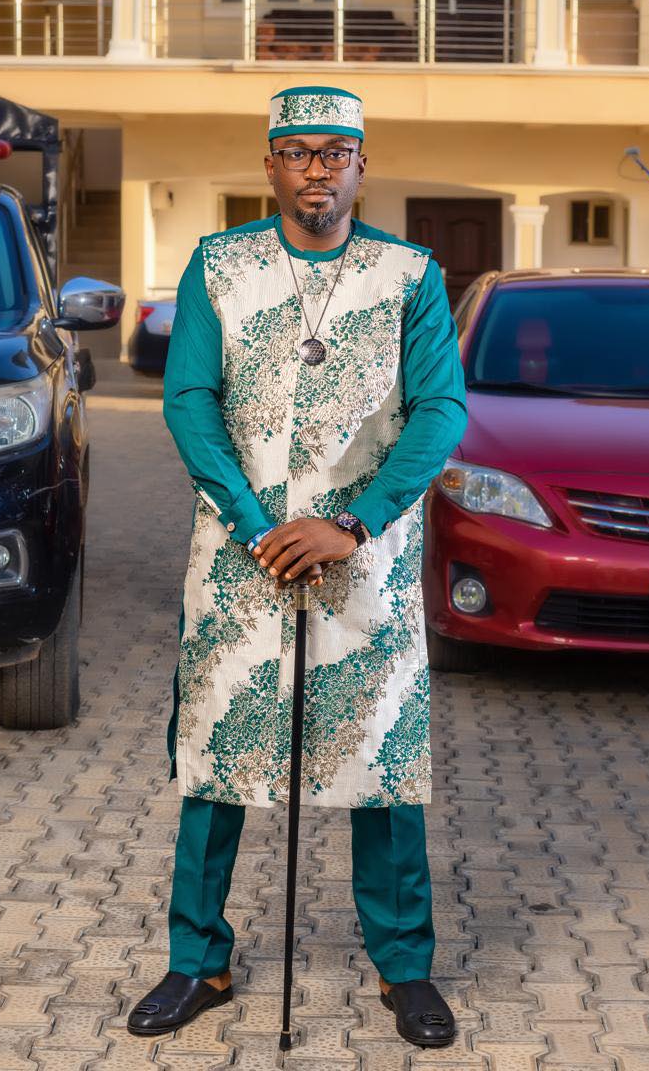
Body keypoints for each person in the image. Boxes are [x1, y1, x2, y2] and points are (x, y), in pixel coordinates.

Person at [127, 84, 468, 1048]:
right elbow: (189, 397)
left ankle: (404, 969)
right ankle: (198, 959)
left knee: (383, 759)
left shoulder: (409, 273)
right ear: (268, 162)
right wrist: (254, 521)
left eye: (335, 151)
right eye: (298, 151)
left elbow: (439, 409)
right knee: (218, 758)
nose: (316, 167)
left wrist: (350, 524)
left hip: (367, 556)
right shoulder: (218, 264)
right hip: (241, 557)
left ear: (363, 162)